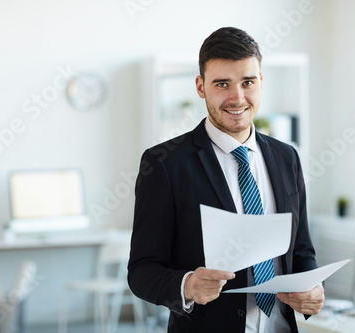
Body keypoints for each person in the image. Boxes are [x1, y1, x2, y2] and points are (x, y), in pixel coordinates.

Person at [127, 27, 324, 333]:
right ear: (200, 86)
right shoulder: (165, 163)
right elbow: (142, 270)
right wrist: (187, 285)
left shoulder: (288, 157)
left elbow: (301, 250)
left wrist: (311, 285)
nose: (237, 98)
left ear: (261, 82)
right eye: (222, 84)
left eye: (248, 82)